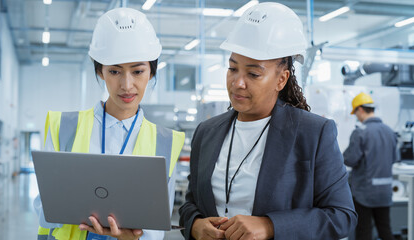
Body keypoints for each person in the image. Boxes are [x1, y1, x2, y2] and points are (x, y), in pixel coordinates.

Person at [179, 2, 357, 240]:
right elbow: (190, 202)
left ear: (281, 79)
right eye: (233, 69)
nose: (238, 83)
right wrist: (195, 225)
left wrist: (270, 226)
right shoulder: (207, 132)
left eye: (253, 74)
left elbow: (342, 217)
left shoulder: (313, 133)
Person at [33, 8, 185, 240]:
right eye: (115, 71)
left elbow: (157, 229)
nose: (127, 85)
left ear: (151, 73)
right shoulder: (62, 126)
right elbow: (44, 208)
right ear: (100, 71)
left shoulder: (167, 142)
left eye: (137, 71)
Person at [343, 92, 397, 240]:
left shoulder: (360, 132)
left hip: (364, 192)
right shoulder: (390, 131)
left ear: (360, 109)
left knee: (364, 231)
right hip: (385, 191)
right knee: (385, 229)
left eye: (355, 113)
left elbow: (349, 160)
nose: (356, 117)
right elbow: (394, 158)